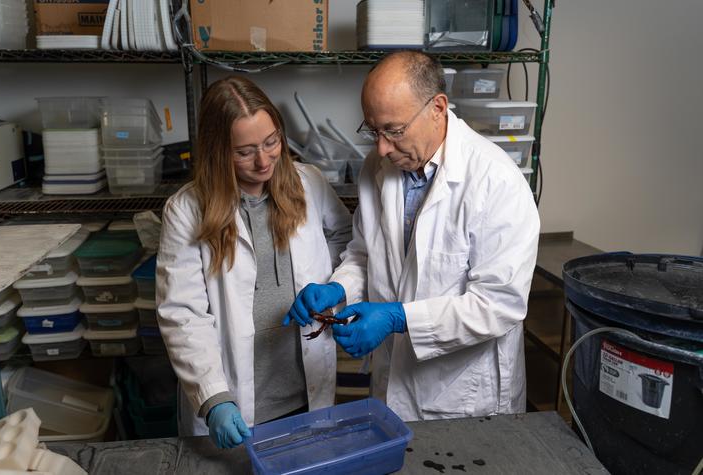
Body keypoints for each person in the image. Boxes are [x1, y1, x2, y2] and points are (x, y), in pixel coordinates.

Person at [285, 51, 540, 421]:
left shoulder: (496, 181)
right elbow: (364, 254)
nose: (382, 148)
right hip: (393, 381)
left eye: (394, 130)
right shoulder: (380, 166)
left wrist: (397, 318)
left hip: (463, 396)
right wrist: (340, 288)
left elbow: (499, 305)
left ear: (437, 107)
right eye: (374, 131)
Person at [157, 76, 352, 448]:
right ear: (217, 151)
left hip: (305, 387)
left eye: (271, 142)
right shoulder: (186, 210)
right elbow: (182, 314)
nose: (263, 161)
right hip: (237, 399)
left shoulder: (307, 182)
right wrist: (213, 397)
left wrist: (331, 288)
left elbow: (347, 241)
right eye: (244, 151)